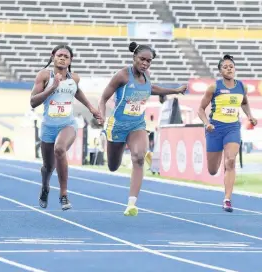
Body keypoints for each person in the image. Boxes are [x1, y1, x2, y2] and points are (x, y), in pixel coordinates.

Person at [98, 42, 186, 216]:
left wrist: (174, 90)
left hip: (137, 124)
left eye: (149, 61)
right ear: (134, 58)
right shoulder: (122, 75)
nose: (145, 63)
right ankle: (120, 152)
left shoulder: (147, 76)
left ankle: (131, 204)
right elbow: (103, 98)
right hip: (117, 125)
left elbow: (151, 88)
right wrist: (101, 116)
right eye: (142, 59)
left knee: (138, 158)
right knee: (113, 166)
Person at [30, 44, 102, 211]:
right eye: (59, 55)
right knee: (48, 167)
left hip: (67, 124)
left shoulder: (74, 78)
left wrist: (91, 108)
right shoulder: (44, 75)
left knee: (60, 149)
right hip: (48, 126)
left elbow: (76, 91)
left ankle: (63, 194)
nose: (62, 58)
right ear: (53, 56)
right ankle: (45, 186)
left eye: (66, 56)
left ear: (70, 60)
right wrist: (52, 88)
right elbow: (33, 102)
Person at [197, 54, 257, 213]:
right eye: (225, 67)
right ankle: (218, 176)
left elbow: (244, 103)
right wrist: (207, 123)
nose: (229, 69)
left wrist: (249, 115)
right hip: (215, 129)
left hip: (232, 128)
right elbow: (200, 109)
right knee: (212, 170)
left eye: (231, 66)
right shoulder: (214, 87)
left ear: (235, 68)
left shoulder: (241, 87)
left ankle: (227, 199)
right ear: (220, 70)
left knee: (230, 161)